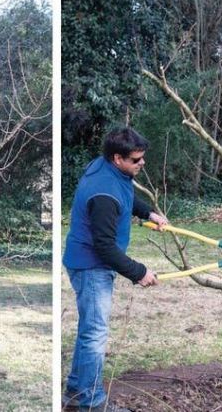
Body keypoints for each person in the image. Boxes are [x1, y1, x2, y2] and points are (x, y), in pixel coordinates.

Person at [62, 126, 169, 411]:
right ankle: (92, 403)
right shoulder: (104, 193)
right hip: (91, 266)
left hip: (91, 261)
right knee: (95, 335)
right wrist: (139, 272)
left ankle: (75, 393)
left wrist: (148, 212)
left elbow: (127, 195)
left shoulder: (108, 170)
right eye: (136, 160)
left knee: (89, 331)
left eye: (142, 158)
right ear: (117, 159)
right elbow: (105, 248)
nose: (142, 163)